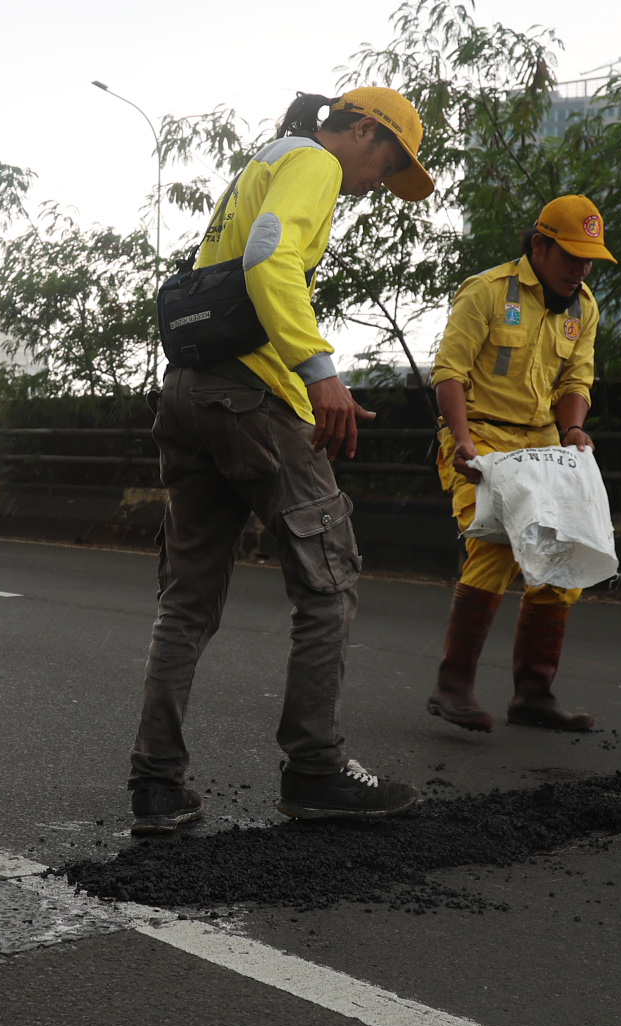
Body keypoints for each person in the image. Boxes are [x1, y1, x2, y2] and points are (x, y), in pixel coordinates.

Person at [127, 87, 435, 834]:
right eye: (386, 162)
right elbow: (270, 258)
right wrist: (318, 370)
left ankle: (156, 786)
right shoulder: (313, 162)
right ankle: (315, 768)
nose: (377, 184)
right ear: (362, 132)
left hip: (189, 393)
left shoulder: (262, 160)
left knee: (187, 599)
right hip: (252, 397)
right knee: (329, 580)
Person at [425, 195, 614, 734]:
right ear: (539, 247)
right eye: (571, 257)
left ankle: (534, 694)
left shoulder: (584, 308)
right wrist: (461, 442)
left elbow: (577, 381)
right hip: (480, 438)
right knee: (495, 547)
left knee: (563, 555)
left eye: (588, 260)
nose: (580, 270)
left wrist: (574, 428)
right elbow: (450, 374)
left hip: (543, 448)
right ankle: (453, 685)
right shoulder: (486, 292)